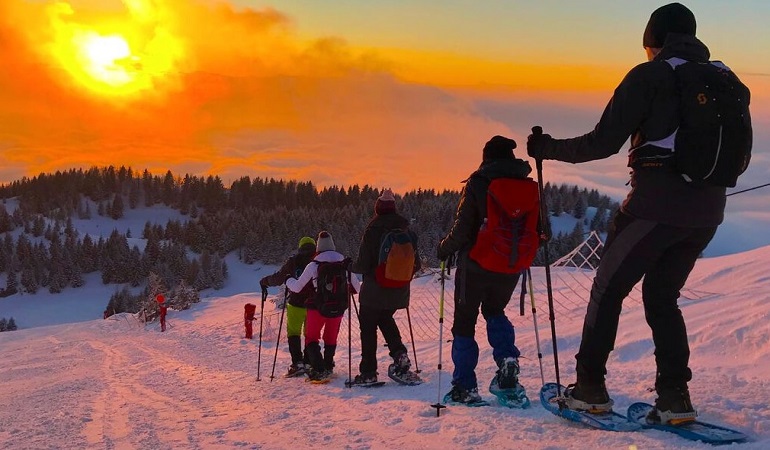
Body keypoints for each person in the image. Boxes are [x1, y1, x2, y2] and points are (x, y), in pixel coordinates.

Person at [526, 3, 751, 423]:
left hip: (654, 209)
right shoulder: (729, 80)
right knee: (662, 297)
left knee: (607, 288)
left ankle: (590, 387)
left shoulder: (650, 76)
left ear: (655, 40)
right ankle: (674, 397)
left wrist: (548, 149)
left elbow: (602, 142)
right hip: (707, 214)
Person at [437, 135, 533, 404]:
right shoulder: (527, 185)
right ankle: (507, 361)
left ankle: (465, 386)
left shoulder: (478, 183)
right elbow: (542, 230)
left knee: (465, 322)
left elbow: (463, 228)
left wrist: (443, 248)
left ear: (486, 157)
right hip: (510, 266)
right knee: (495, 311)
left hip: (476, 265)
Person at [350, 189, 421, 384]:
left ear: (378, 209)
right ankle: (400, 356)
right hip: (398, 290)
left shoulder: (373, 229)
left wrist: (349, 266)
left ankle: (368, 372)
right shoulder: (407, 230)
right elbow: (418, 264)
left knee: (368, 326)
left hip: (374, 290)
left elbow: (363, 264)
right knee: (385, 318)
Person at [286, 231, 360, 381]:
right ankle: (328, 366)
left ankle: (319, 369)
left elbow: (298, 287)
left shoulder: (314, 264)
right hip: (338, 307)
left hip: (317, 307)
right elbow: (357, 288)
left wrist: (288, 280)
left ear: (318, 248)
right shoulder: (344, 264)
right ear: (333, 246)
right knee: (331, 337)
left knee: (311, 337)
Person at [260, 236, 317, 377]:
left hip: (296, 303)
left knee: (293, 333)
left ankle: (297, 364)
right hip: (314, 304)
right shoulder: (318, 260)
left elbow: (279, 277)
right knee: (310, 334)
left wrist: (265, 281)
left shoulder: (293, 261)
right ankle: (310, 362)